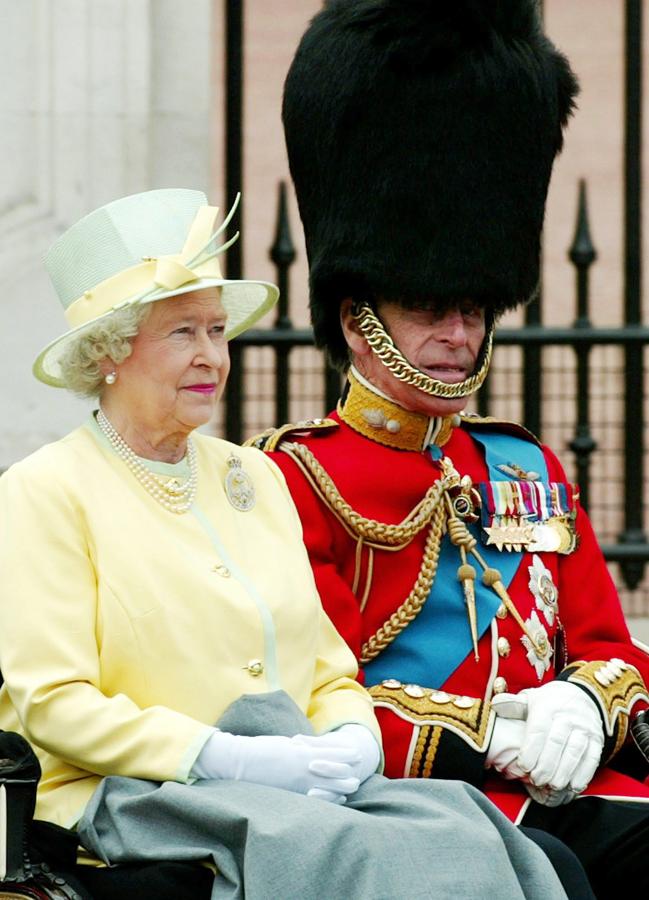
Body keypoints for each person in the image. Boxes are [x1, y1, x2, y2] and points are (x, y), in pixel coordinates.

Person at [0, 187, 573, 900]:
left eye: (217, 331)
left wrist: (351, 736)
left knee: (487, 838)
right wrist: (220, 757)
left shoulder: (254, 476)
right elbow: (53, 703)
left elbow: (327, 670)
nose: (212, 354)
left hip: (285, 785)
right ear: (109, 353)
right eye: (183, 334)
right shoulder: (45, 489)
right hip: (126, 794)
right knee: (366, 860)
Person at [252, 1, 649, 897]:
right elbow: (312, 701)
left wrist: (585, 702)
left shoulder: (524, 470)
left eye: (471, 310)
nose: (458, 333)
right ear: (359, 320)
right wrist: (493, 734)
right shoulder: (291, 479)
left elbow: (611, 648)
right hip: (425, 808)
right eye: (430, 310)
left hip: (573, 790)